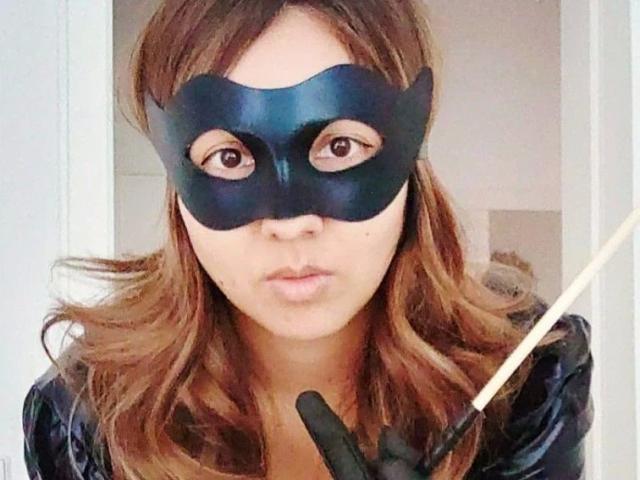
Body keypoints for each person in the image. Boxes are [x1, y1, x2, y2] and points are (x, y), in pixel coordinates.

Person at [22, 1, 593, 479]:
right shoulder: (86, 423)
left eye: (340, 147)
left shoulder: (523, 380)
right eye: (229, 158)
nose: (291, 222)